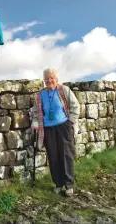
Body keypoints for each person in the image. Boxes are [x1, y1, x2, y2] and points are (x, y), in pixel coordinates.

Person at [30, 68, 80, 196]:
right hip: (48, 128)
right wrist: (35, 122)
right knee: (53, 156)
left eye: (51, 78)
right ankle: (58, 183)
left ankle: (69, 184)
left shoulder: (64, 90)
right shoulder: (40, 95)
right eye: (46, 78)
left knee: (66, 155)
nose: (49, 80)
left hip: (64, 126)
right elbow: (35, 111)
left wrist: (71, 121)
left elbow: (75, 106)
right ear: (44, 81)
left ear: (56, 79)